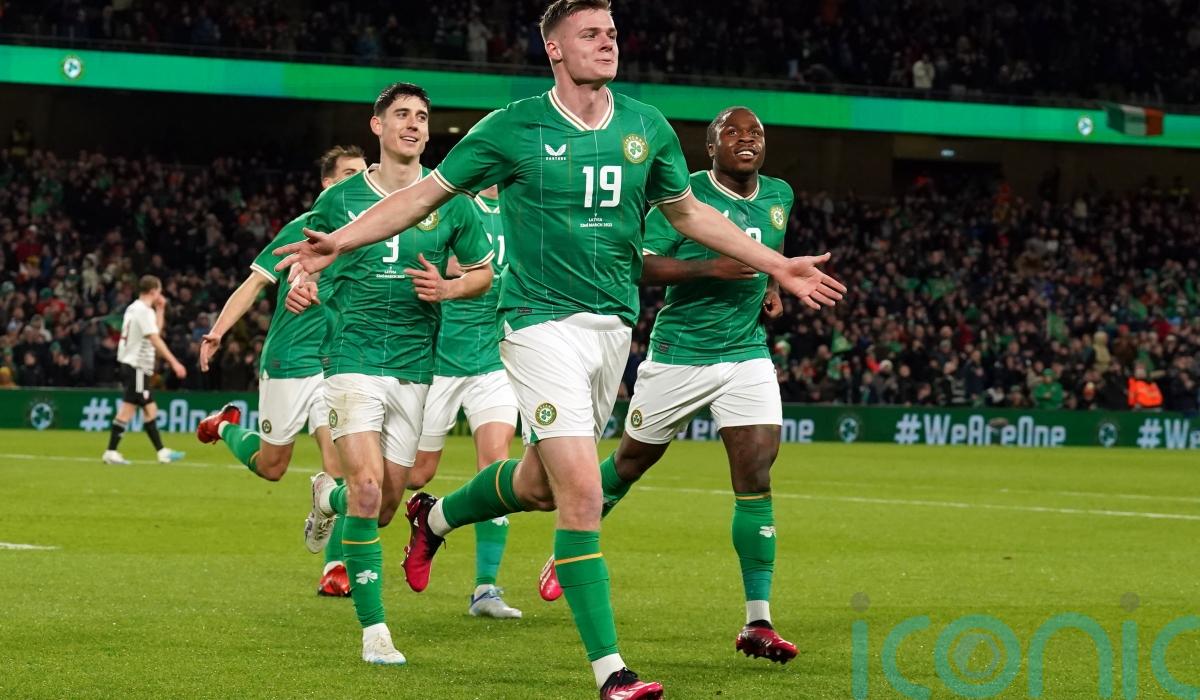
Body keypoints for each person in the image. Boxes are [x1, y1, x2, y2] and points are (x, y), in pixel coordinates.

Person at [275, 2, 844, 696]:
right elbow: (423, 196)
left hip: (612, 331)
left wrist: (778, 265)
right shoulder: (512, 126)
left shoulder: (646, 126)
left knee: (540, 487)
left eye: (612, 33)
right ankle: (612, 672)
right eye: (590, 34)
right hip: (537, 325)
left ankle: (436, 515)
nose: (607, 43)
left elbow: (690, 214)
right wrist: (341, 241)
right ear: (553, 49)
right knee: (583, 493)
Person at [538, 106, 800, 664]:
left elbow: (767, 254)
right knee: (631, 462)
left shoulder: (780, 195)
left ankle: (758, 621)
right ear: (711, 147)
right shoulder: (684, 197)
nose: (747, 139)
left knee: (756, 473)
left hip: (746, 353)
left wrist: (772, 284)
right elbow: (638, 264)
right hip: (680, 355)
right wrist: (711, 269)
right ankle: (573, 539)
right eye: (732, 132)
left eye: (756, 131)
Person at [289, 82, 495, 666]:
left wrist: (449, 288)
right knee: (368, 488)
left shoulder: (452, 200)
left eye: (422, 116)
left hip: (414, 365)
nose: (413, 123)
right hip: (351, 357)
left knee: (382, 507)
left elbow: (482, 273)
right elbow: (310, 262)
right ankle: (375, 632)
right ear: (376, 126)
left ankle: (324, 495)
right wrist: (304, 285)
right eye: (401, 114)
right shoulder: (339, 200)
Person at [194, 145, 367, 598]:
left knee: (342, 466)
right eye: (348, 174)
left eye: (363, 172)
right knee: (272, 467)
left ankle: (336, 568)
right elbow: (255, 281)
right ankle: (224, 426)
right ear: (328, 184)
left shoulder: (372, 232)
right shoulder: (303, 229)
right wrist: (218, 332)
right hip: (289, 360)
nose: (359, 180)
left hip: (337, 362)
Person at [406, 184, 523, 620]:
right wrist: (450, 267)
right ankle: (341, 498)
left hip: (493, 362)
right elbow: (419, 261)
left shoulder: (521, 207)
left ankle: (485, 588)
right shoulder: (451, 208)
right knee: (416, 473)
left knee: (495, 470)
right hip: (438, 362)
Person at [102, 275, 187, 465]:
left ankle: (160, 451)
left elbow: (155, 330)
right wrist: (174, 362)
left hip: (133, 365)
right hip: (137, 366)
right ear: (154, 291)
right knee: (133, 409)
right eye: (160, 291)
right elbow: (155, 338)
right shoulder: (143, 310)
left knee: (146, 408)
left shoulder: (134, 308)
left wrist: (160, 309)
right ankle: (112, 452)